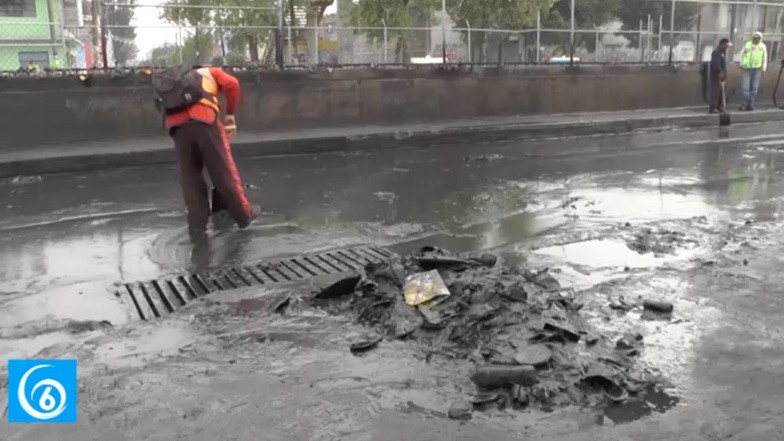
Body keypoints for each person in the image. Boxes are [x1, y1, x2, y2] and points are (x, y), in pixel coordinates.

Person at [154, 65, 257, 240]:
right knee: (223, 170)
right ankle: (244, 216)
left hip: (177, 126)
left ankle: (197, 224)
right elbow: (233, 84)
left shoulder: (174, 80)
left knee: (190, 175)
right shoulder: (211, 72)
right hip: (204, 119)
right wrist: (230, 114)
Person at [739, 32, 768, 111]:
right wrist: (741, 64)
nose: (756, 39)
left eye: (758, 38)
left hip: (757, 69)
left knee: (754, 89)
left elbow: (764, 58)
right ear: (752, 38)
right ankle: (743, 104)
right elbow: (741, 54)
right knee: (745, 88)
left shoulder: (762, 46)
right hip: (747, 69)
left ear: (760, 39)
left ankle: (750, 104)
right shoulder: (747, 44)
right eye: (754, 38)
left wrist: (764, 69)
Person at [708, 38, 730, 114]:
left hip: (722, 76)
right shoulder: (716, 52)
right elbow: (716, 64)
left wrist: (725, 74)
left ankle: (719, 106)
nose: (727, 47)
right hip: (716, 76)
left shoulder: (723, 53)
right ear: (722, 44)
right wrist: (720, 72)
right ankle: (713, 107)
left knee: (721, 92)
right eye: (726, 45)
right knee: (715, 91)